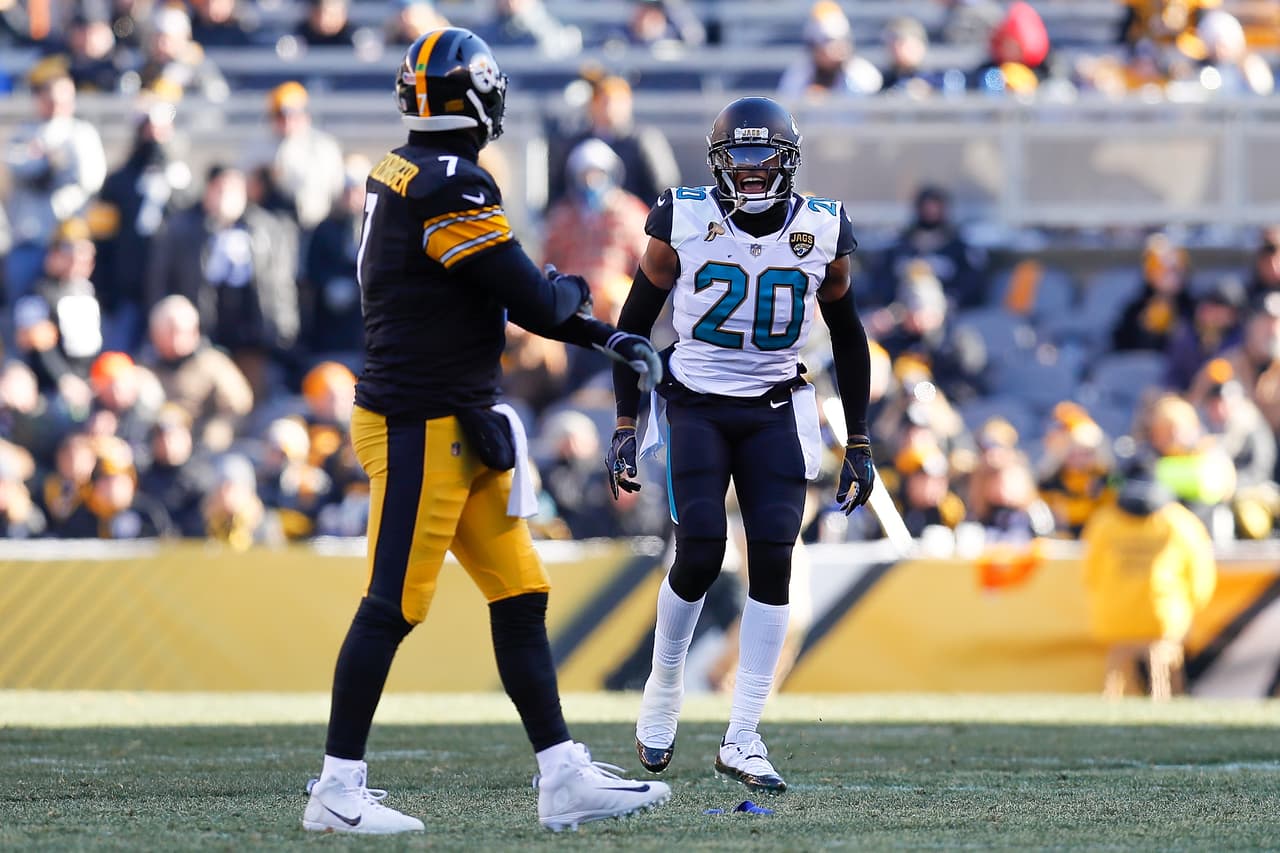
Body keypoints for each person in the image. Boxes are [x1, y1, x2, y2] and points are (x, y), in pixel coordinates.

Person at [301, 28, 669, 835]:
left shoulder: (403, 167)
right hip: (419, 421)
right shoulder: (449, 184)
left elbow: (500, 289)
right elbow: (529, 298)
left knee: (522, 592)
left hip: (458, 413)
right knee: (391, 605)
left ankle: (561, 773)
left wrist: (601, 334)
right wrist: (595, 317)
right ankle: (335, 788)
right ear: (476, 96)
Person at [607, 97, 874, 794]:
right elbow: (633, 326)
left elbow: (848, 335)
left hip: (778, 406)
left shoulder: (823, 227)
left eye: (766, 159)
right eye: (740, 159)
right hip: (695, 400)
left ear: (790, 161)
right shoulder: (681, 218)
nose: (753, 174)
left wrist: (862, 438)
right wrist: (626, 423)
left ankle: (744, 734)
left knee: (776, 560)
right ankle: (663, 692)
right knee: (698, 547)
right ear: (717, 163)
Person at [1082, 459, 1216, 699]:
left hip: (1114, 617)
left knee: (1118, 662)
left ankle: (1110, 702)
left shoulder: (1105, 520)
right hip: (1163, 616)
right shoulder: (1178, 521)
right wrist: (1193, 605)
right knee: (1165, 665)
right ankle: (1169, 701)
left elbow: (1090, 572)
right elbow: (1200, 573)